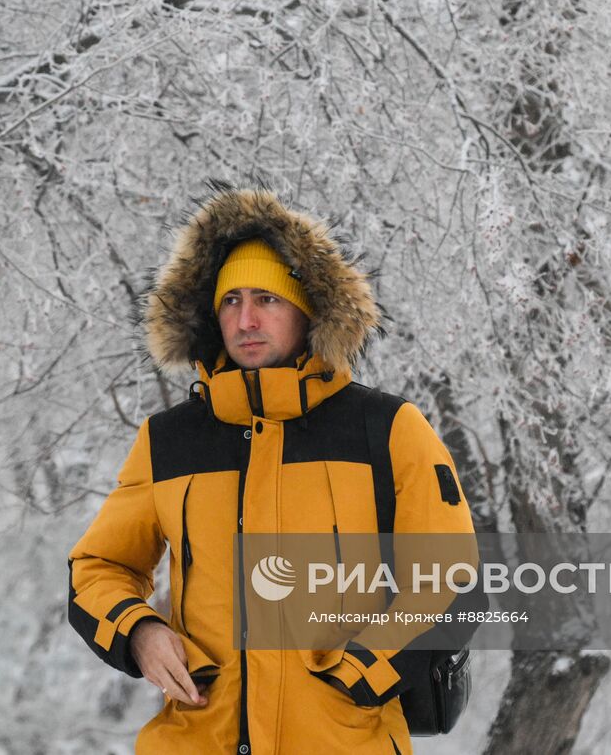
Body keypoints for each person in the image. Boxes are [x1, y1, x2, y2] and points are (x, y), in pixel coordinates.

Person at [67, 186, 478, 753]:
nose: (247, 318)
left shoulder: (385, 428)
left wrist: (363, 672)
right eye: (230, 301)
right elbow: (99, 566)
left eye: (268, 298)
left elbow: (451, 578)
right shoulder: (169, 441)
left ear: (308, 307)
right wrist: (140, 631)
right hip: (196, 738)